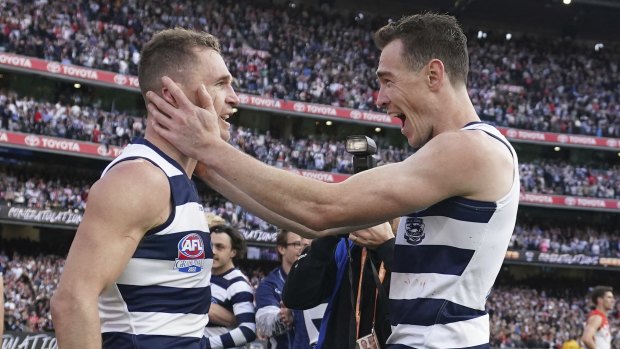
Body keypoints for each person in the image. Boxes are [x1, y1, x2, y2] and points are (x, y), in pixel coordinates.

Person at [147, 13, 520, 348]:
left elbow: (324, 208)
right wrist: (211, 169)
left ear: (433, 75)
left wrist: (210, 148)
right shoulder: (450, 153)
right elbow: (310, 221)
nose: (379, 98)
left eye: (387, 81)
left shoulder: (471, 149)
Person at [50, 28, 240, 349]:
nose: (234, 97)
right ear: (171, 95)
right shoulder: (142, 179)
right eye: (220, 84)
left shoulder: (176, 177)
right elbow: (71, 301)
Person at [283, 222, 395, 349]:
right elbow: (294, 298)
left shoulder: (413, 244)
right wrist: (329, 235)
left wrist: (387, 247)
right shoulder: (344, 244)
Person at [255, 230, 312, 348]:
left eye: (307, 245)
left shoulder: (317, 280)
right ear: (282, 249)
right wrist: (284, 318)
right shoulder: (269, 284)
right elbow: (264, 325)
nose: (303, 248)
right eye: (297, 244)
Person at [205, 223, 257, 348]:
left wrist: (206, 344)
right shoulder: (204, 276)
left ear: (233, 252)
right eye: (210, 245)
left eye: (220, 247)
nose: (213, 251)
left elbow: (248, 330)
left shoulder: (238, 284)